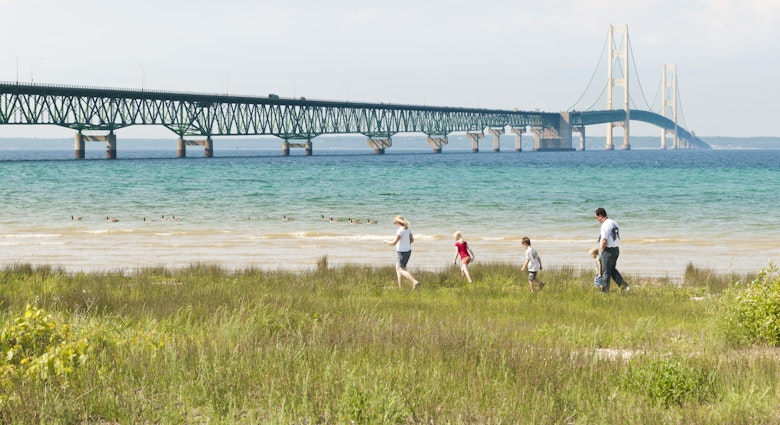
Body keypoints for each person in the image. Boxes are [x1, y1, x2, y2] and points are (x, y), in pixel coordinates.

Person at [594, 207, 630, 292]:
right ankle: (625, 287)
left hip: (608, 250)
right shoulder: (614, 222)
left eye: (596, 217)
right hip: (616, 249)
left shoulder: (605, 225)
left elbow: (604, 240)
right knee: (612, 270)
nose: (597, 220)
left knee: (605, 272)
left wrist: (602, 250)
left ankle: (605, 293)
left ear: (600, 215)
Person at [384, 215, 419, 289]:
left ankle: (414, 281)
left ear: (398, 222)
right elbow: (412, 240)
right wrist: (406, 241)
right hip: (408, 251)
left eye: (394, 222)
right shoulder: (408, 229)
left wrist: (386, 241)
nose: (394, 224)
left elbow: (393, 243)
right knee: (398, 268)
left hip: (402, 253)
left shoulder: (400, 231)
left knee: (401, 269)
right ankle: (400, 287)